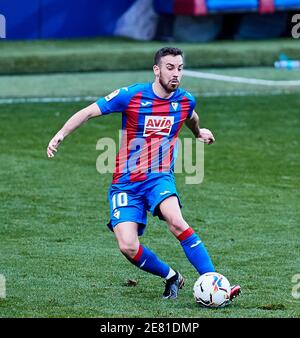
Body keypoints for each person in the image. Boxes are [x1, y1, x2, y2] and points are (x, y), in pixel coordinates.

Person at [47, 47, 241, 302]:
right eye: (170, 68)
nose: (176, 74)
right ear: (156, 70)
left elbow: (191, 116)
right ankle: (171, 276)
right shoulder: (131, 95)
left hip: (159, 177)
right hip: (125, 183)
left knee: (176, 220)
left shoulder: (184, 100)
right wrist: (60, 134)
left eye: (180, 68)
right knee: (127, 246)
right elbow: (88, 112)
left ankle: (215, 282)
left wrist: (198, 132)